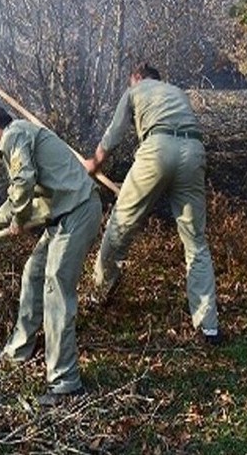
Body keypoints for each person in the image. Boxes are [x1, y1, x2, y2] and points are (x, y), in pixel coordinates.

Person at [82, 62, 222, 345]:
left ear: (137, 77)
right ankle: (209, 327)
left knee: (119, 226)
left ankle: (99, 295)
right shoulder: (176, 92)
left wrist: (94, 163)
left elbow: (114, 133)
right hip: (194, 151)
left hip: (157, 150)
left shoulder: (136, 90)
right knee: (196, 242)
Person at [0, 106, 102, 406]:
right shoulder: (21, 137)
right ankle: (18, 351)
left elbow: (23, 182)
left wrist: (20, 219)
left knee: (56, 289)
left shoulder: (14, 134)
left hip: (77, 212)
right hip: (62, 217)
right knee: (33, 273)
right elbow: (15, 196)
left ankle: (65, 382)